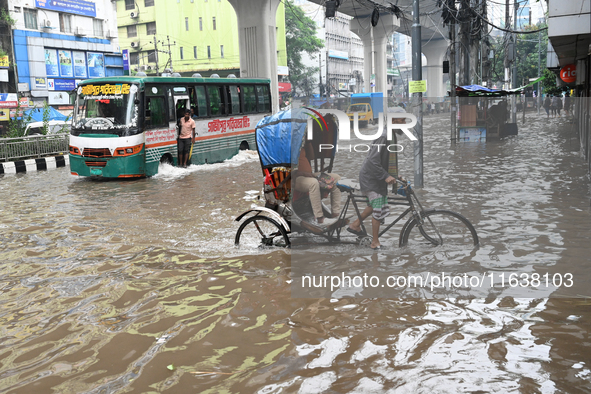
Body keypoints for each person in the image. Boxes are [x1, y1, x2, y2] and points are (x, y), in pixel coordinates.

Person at [347, 108, 405, 249]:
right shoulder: (384, 136)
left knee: (373, 206)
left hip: (375, 177)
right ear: (394, 120)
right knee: (378, 207)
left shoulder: (390, 135)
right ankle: (375, 242)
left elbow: (385, 161)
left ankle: (355, 225)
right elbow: (373, 160)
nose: (404, 123)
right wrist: (385, 176)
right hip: (370, 178)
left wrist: (396, 177)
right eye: (402, 120)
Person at [294, 140, 341, 227]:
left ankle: (335, 214)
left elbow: (311, 157)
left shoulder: (301, 145)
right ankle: (320, 218)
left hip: (309, 175)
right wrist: (304, 174)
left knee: (336, 179)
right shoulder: (286, 148)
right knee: (313, 183)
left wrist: (308, 143)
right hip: (294, 178)